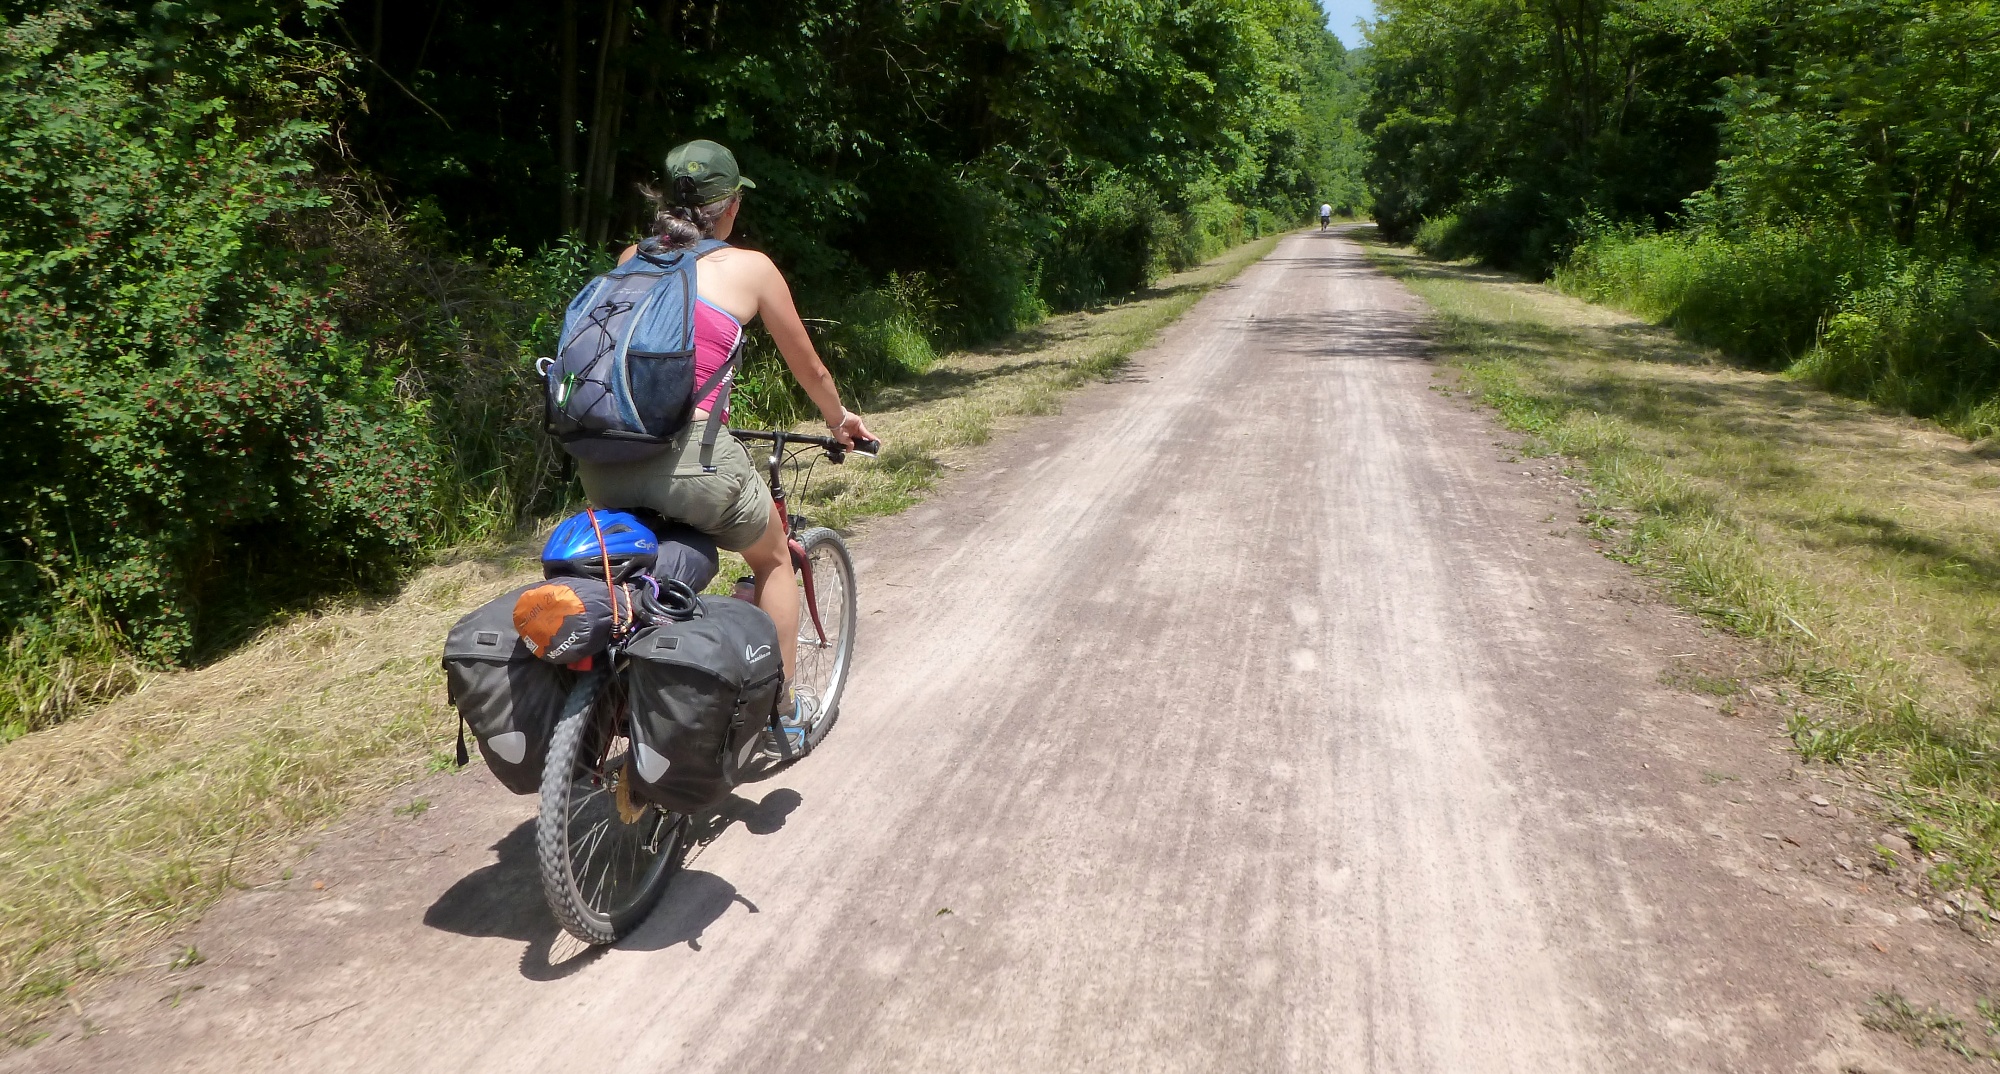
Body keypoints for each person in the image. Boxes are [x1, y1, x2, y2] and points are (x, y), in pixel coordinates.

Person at [577, 138, 877, 724]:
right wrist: (840, 422)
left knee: (645, 567)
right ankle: (782, 709)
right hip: (690, 460)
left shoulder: (627, 259)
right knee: (773, 563)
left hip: (602, 460)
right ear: (731, 205)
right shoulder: (750, 268)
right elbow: (810, 369)